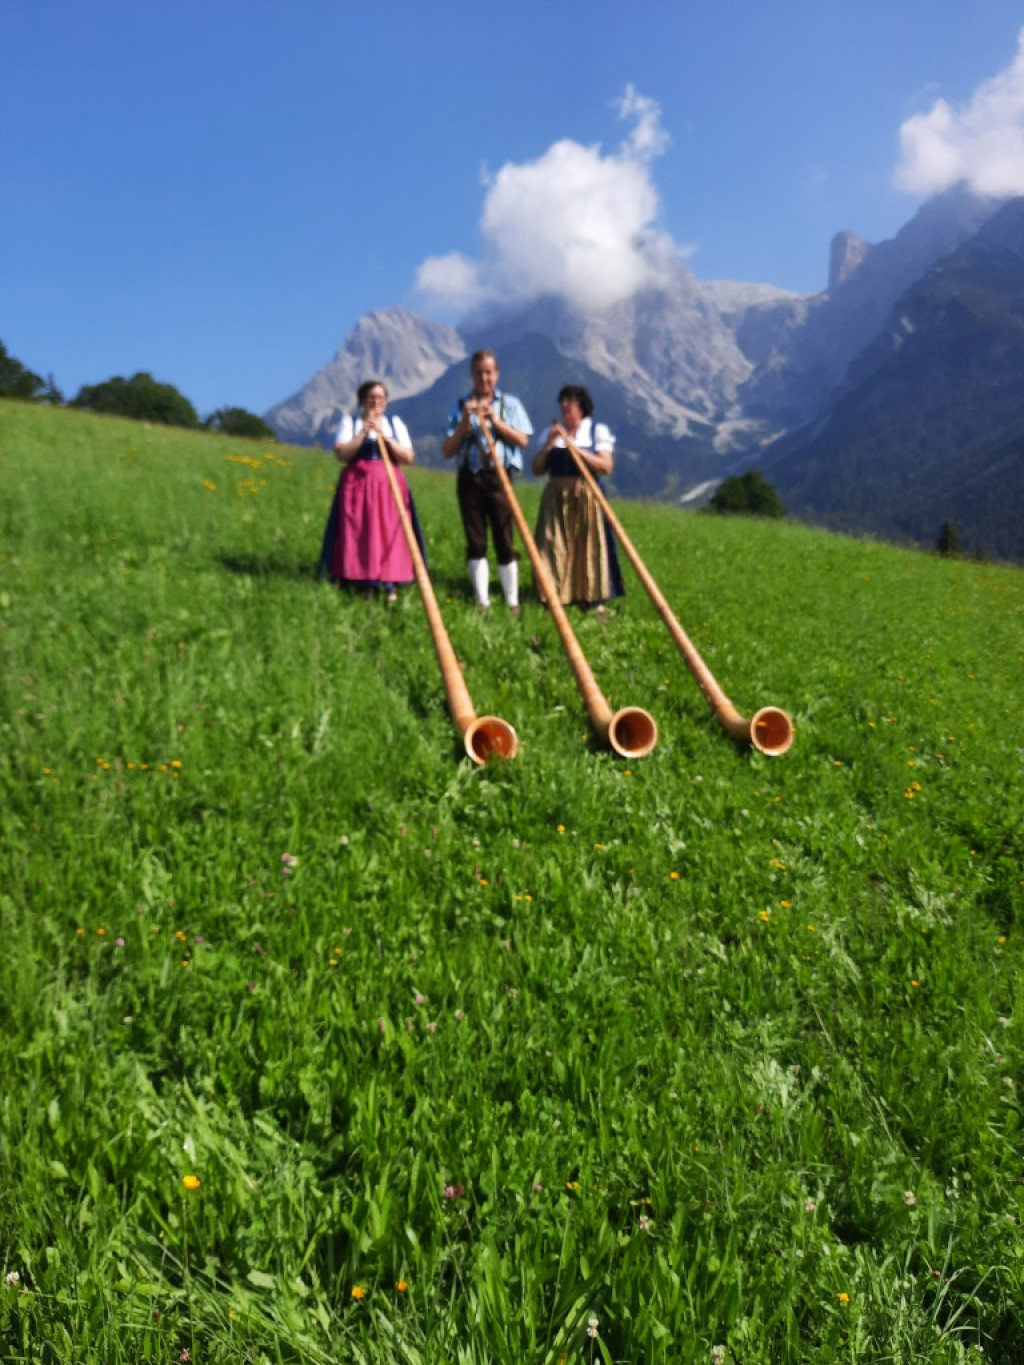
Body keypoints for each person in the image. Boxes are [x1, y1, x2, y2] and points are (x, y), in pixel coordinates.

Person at [442, 349, 533, 614]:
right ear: (472, 375)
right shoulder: (460, 405)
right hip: (470, 477)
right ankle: (482, 600)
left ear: (497, 374)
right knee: (476, 539)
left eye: (489, 372)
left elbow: (523, 440)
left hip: (500, 476)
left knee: (505, 538)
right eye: (479, 373)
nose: (485, 378)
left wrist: (496, 421)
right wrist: (464, 424)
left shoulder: (510, 404)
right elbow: (447, 450)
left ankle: (512, 600)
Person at [319, 380, 424, 600]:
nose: (376, 402)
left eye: (381, 398)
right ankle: (359, 579)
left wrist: (384, 437)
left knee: (389, 530)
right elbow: (342, 454)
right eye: (371, 398)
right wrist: (365, 433)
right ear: (362, 401)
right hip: (357, 484)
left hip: (389, 485)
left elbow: (407, 457)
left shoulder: (394, 424)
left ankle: (389, 580)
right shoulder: (351, 423)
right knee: (359, 530)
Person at [531, 385, 625, 615]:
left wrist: (577, 451)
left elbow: (605, 466)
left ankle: (591, 597)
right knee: (552, 545)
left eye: (569, 403)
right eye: (562, 402)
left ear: (581, 407)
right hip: (556, 498)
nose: (564, 407)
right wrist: (548, 445)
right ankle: (554, 595)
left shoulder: (595, 432)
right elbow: (537, 468)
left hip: (586, 496)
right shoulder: (551, 433)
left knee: (588, 545)